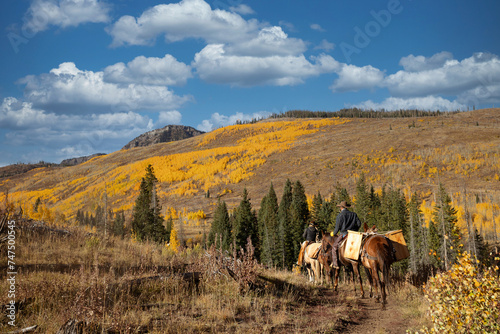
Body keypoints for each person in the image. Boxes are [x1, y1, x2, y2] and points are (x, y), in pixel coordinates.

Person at [331, 201, 361, 269]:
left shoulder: (340, 215)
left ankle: (335, 264)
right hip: (354, 234)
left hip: (344, 234)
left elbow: (337, 227)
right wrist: (355, 230)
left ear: (341, 207)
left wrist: (334, 233)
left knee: (334, 247)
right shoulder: (354, 214)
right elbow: (359, 224)